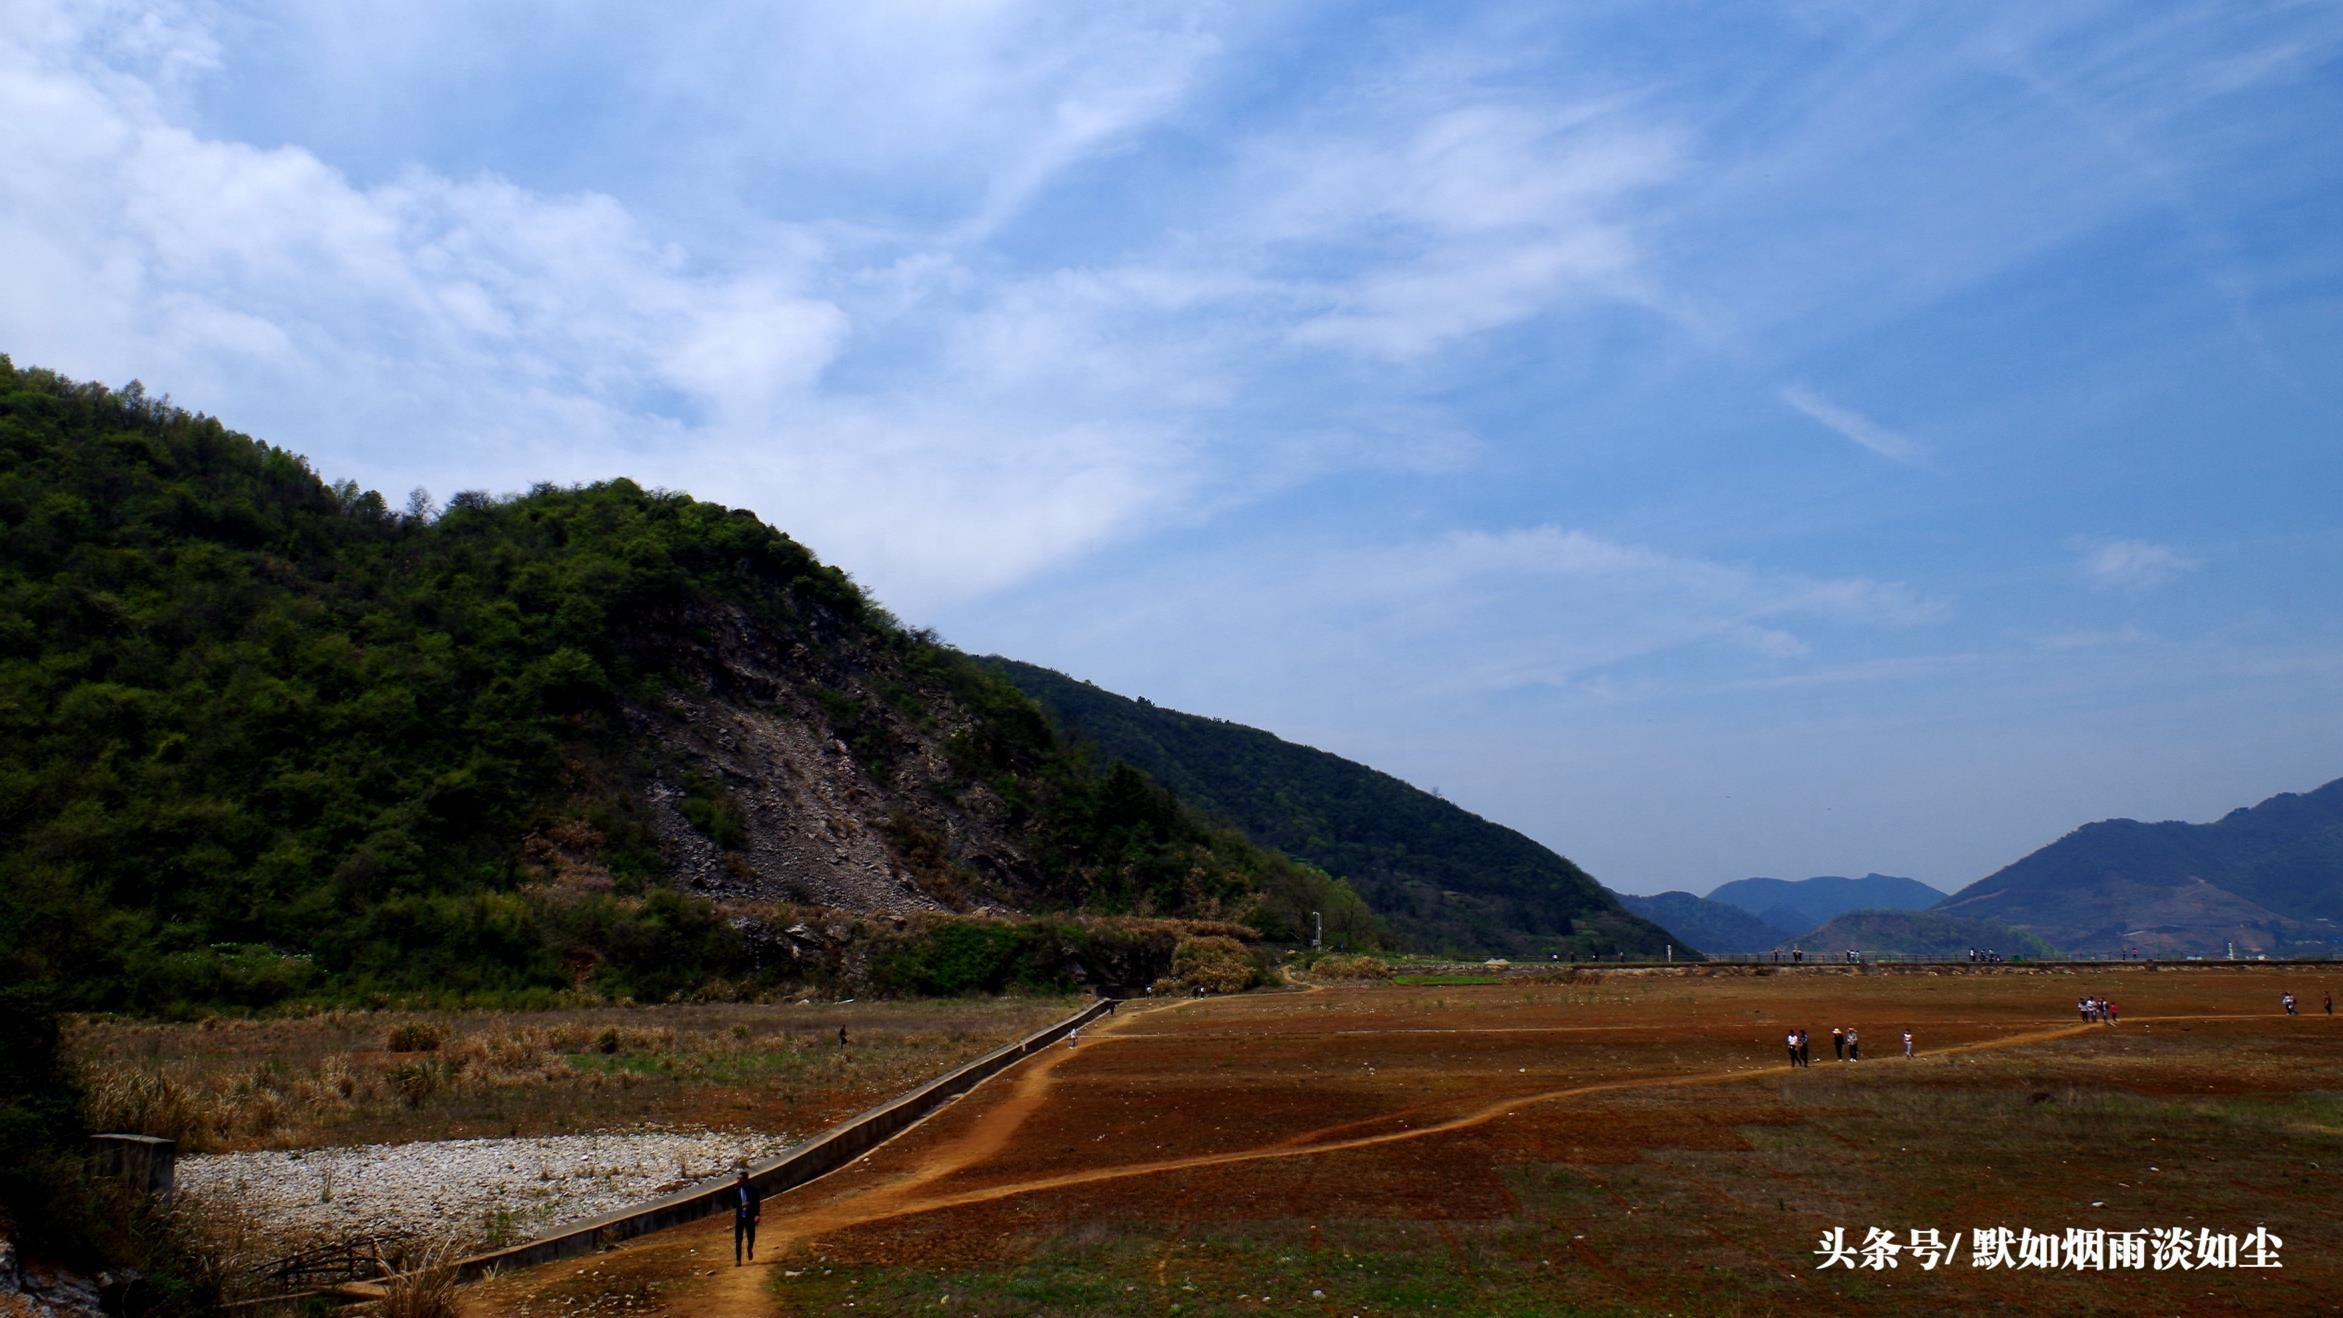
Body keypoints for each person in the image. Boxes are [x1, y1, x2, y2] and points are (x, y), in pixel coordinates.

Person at [732, 1169, 760, 1265]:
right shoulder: (735, 1191)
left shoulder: (753, 1190)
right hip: (740, 1218)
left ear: (744, 1180)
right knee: (738, 1239)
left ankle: (749, 1248)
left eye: (739, 1179)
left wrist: (757, 1215)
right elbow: (734, 1204)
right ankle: (738, 1260)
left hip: (750, 1217)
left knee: (751, 1236)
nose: (737, 1181)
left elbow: (757, 1204)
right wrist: (742, 1205)